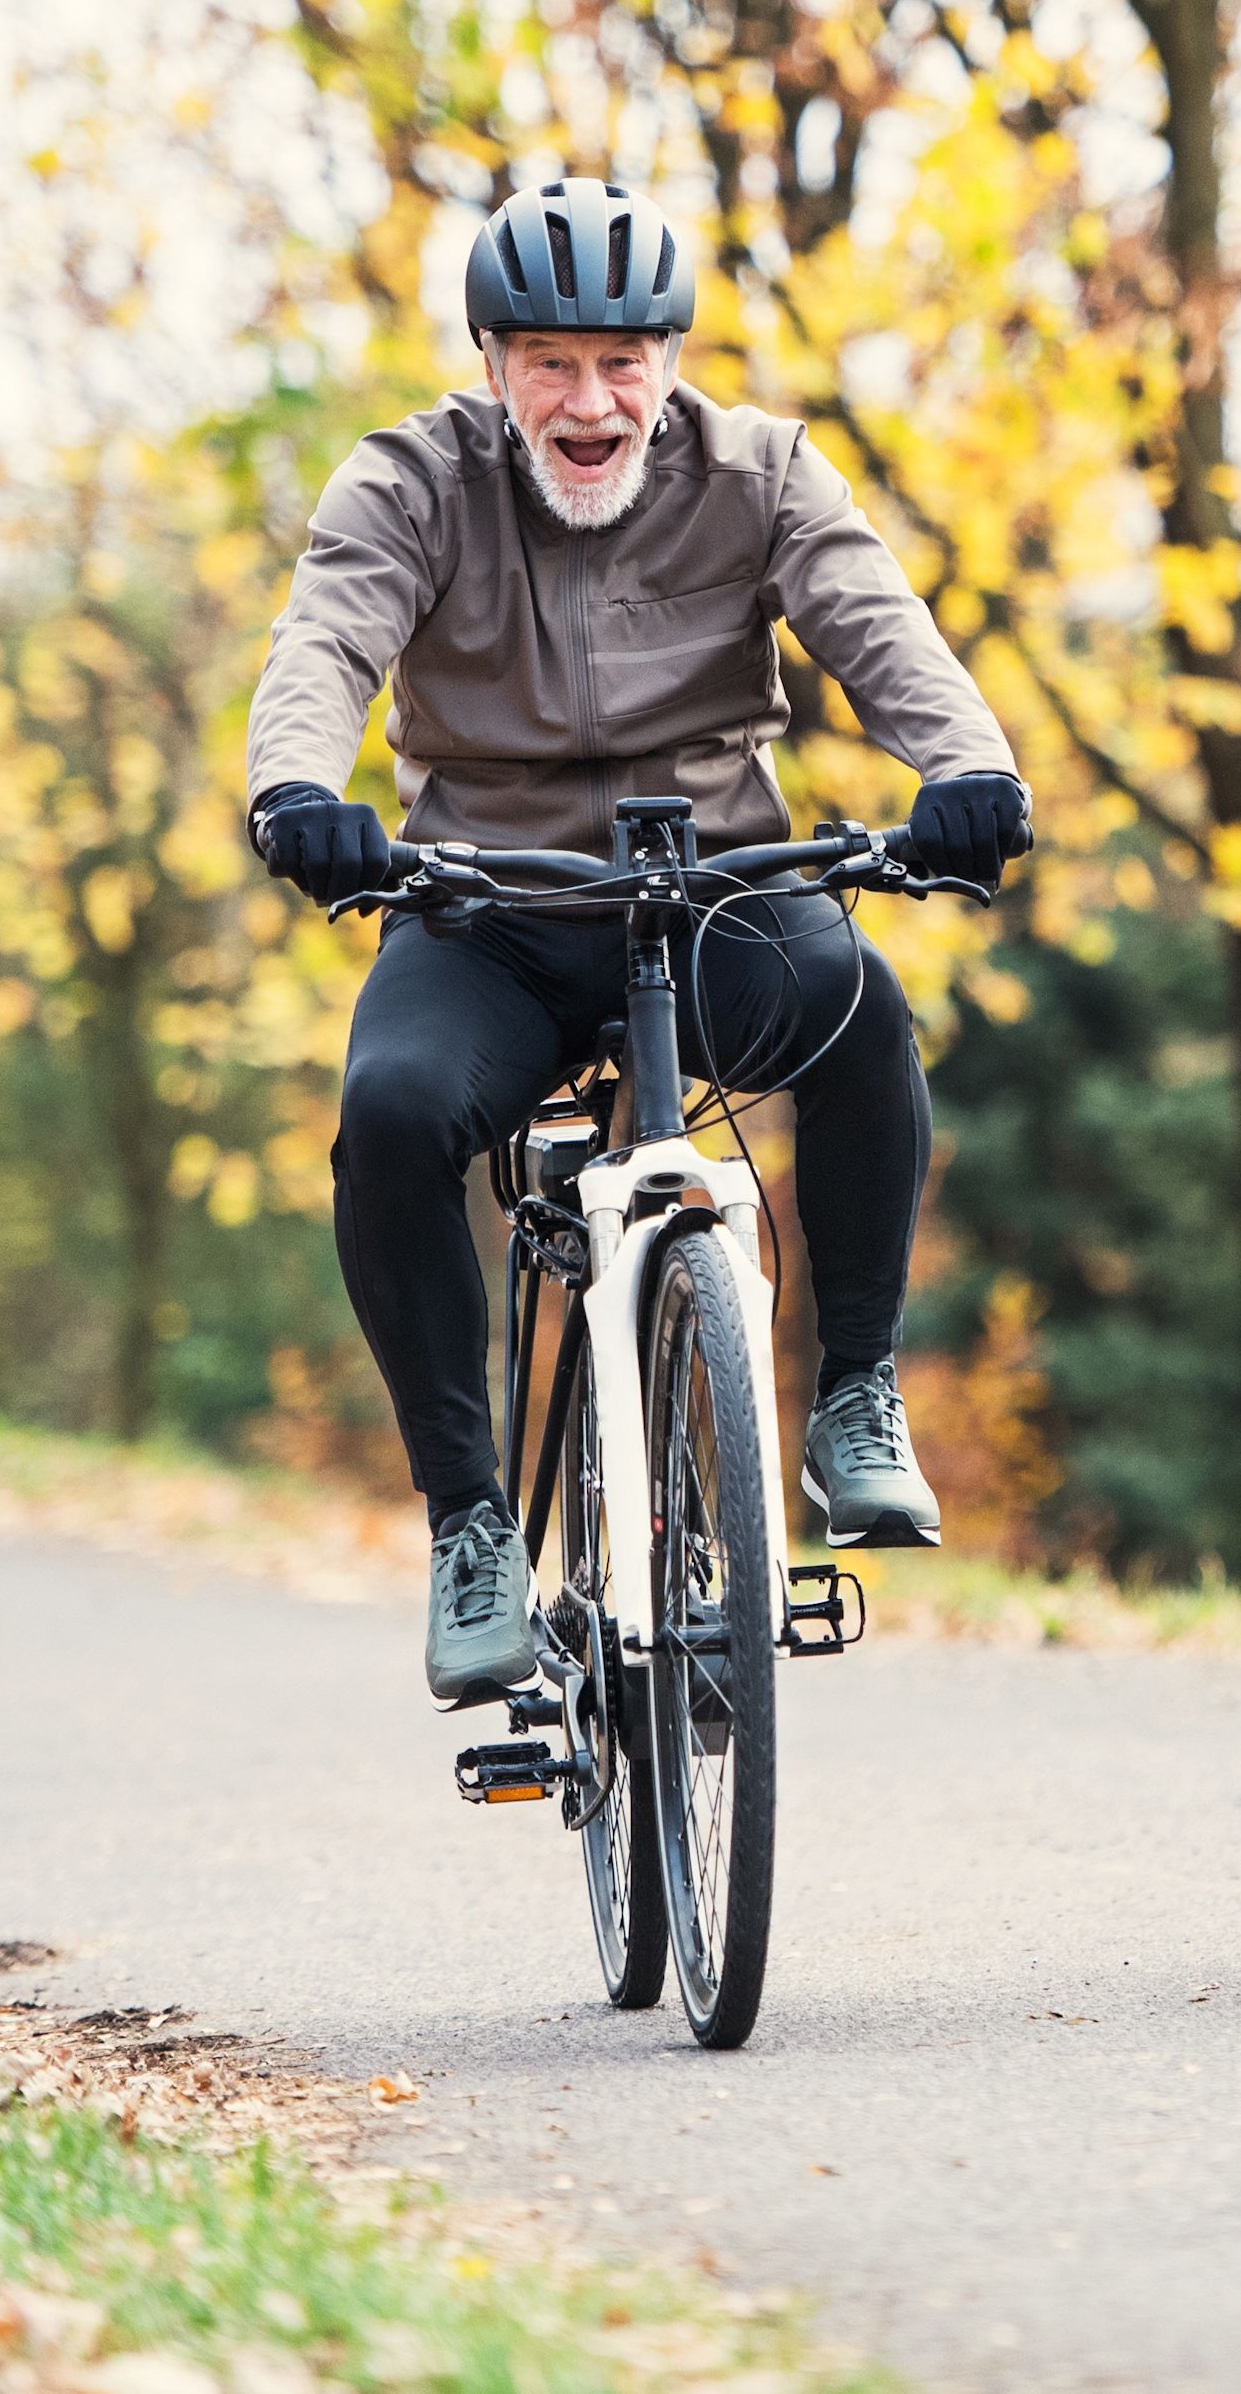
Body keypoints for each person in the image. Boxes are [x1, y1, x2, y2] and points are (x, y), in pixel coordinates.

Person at [245, 176, 1032, 1708]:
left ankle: (855, 1396)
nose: (589, 400)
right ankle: (471, 1525)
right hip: (490, 911)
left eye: (623, 362)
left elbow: (878, 626)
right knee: (392, 1116)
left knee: (861, 1014)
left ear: (671, 361)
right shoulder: (410, 481)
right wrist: (295, 793)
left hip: (716, 891)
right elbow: (326, 637)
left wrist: (971, 770)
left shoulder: (762, 470)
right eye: (547, 361)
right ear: (491, 368)